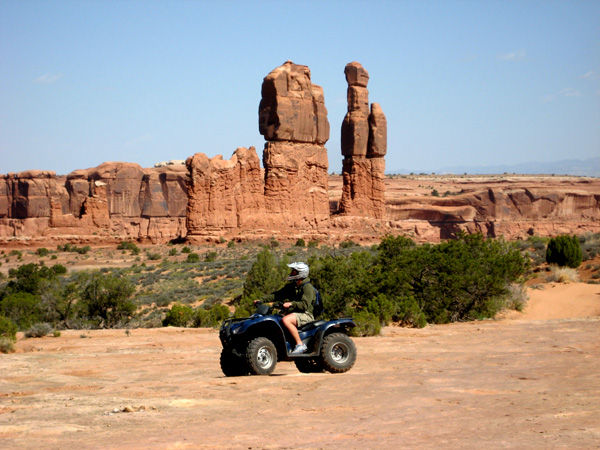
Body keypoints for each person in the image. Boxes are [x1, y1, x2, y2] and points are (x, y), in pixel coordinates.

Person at [260, 262, 316, 355]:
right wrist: (262, 300)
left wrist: (291, 304)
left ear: (301, 273)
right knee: (276, 319)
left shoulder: (308, 287)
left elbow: (304, 305)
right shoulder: (292, 286)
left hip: (306, 314)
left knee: (286, 320)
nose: (291, 273)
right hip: (295, 313)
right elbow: (277, 295)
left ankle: (300, 344)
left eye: (294, 271)